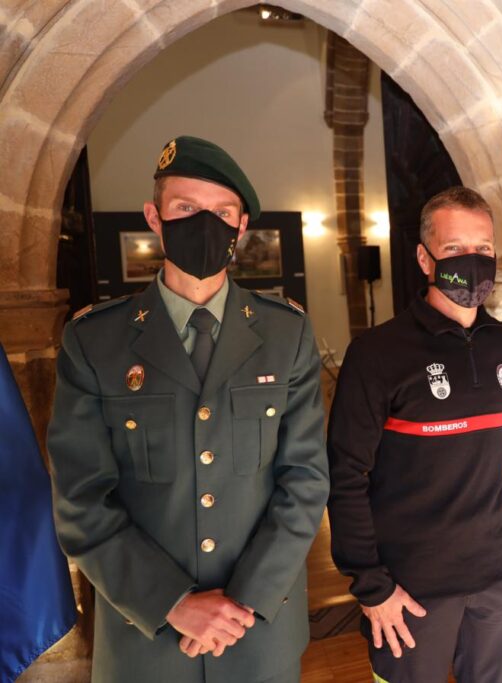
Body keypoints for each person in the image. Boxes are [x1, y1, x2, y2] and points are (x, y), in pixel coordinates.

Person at [48, 136, 330, 683]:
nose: (206, 224)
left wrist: (242, 603)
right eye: (185, 207)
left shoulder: (286, 333)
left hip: (258, 633)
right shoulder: (95, 342)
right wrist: (173, 602)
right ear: (154, 217)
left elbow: (305, 480)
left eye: (222, 212)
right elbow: (81, 498)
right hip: (146, 642)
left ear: (240, 226)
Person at [327, 186, 502, 682]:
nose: (472, 260)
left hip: (499, 579)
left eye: (483, 248)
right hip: (408, 589)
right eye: (455, 248)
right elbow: (344, 475)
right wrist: (371, 585)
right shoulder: (377, 353)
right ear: (424, 258)